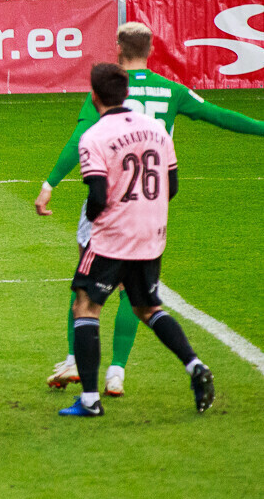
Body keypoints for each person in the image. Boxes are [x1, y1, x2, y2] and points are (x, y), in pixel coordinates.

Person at [36, 21, 264, 394]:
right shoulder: (171, 90)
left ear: (118, 47)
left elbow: (80, 138)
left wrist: (50, 184)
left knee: (86, 286)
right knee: (135, 292)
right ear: (151, 49)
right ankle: (116, 372)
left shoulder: (110, 89)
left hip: (109, 197)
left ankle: (75, 360)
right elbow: (221, 115)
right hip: (150, 200)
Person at [58, 63, 214, 417]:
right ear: (126, 94)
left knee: (85, 306)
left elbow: (97, 195)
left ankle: (89, 401)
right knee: (148, 308)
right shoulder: (157, 130)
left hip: (112, 238)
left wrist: (98, 220)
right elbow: (172, 185)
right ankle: (195, 366)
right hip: (151, 236)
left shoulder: (94, 136)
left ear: (94, 96)